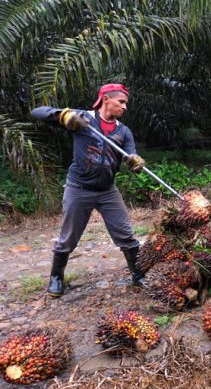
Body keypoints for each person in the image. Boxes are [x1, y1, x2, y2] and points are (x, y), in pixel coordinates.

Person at [31, 84, 146, 297]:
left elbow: (131, 155)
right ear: (105, 100)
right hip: (78, 188)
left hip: (107, 191)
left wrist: (136, 162)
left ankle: (138, 275)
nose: (125, 107)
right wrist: (64, 115)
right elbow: (37, 112)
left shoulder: (123, 131)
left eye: (125, 103)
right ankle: (56, 278)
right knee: (68, 237)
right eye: (121, 102)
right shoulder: (82, 119)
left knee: (126, 235)